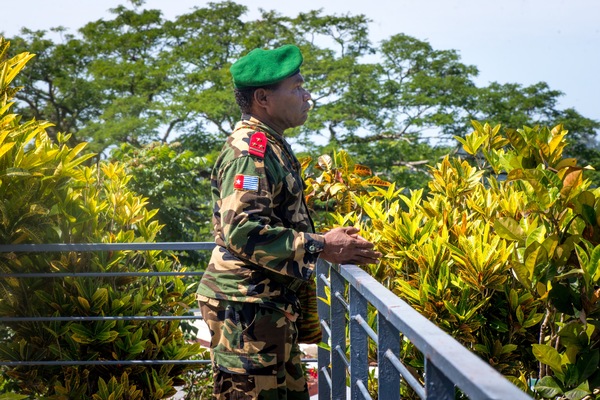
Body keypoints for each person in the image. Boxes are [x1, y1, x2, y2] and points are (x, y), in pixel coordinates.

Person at [196, 44, 382, 400]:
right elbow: (242, 229)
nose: (306, 95)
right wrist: (323, 245)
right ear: (263, 98)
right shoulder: (250, 150)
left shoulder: (271, 144)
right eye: (296, 87)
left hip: (267, 307)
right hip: (247, 308)